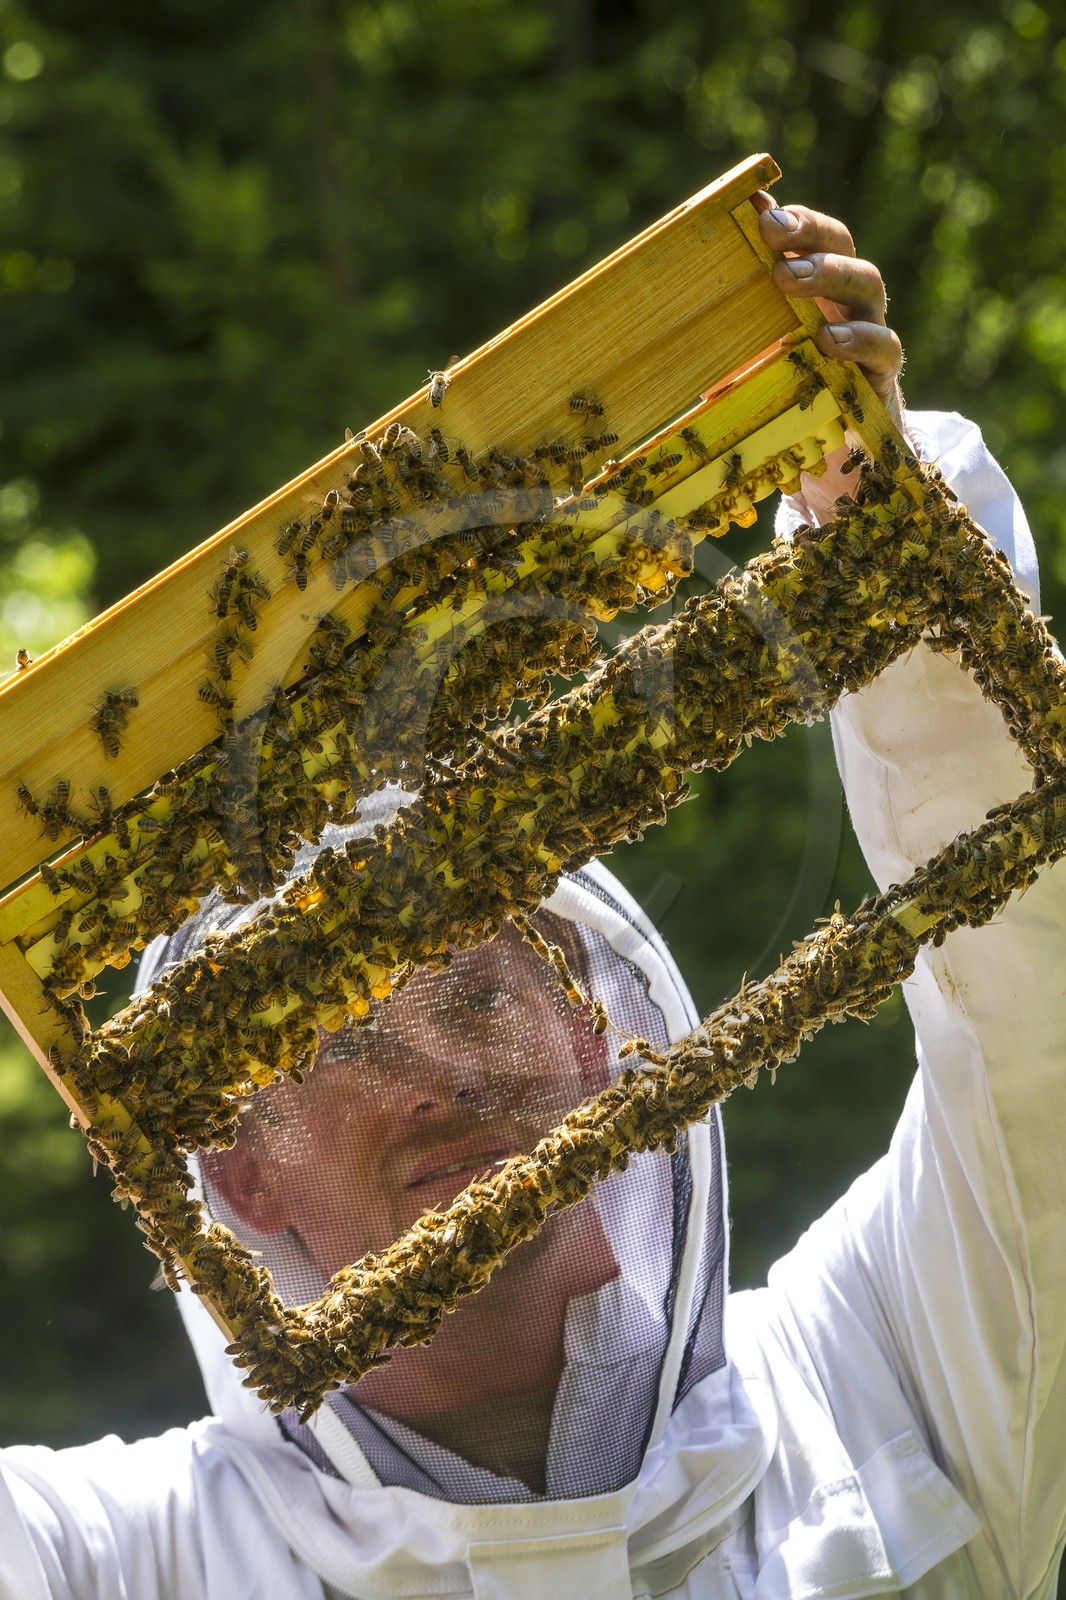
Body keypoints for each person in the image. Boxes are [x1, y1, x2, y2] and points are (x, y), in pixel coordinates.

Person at [2, 197, 1064, 1599]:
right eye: (331, 1037)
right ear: (234, 1173)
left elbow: (1035, 1013)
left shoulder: (884, 1380)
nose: (436, 1072)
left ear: (595, 1036)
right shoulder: (107, 1559)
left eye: (472, 988)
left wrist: (882, 523)